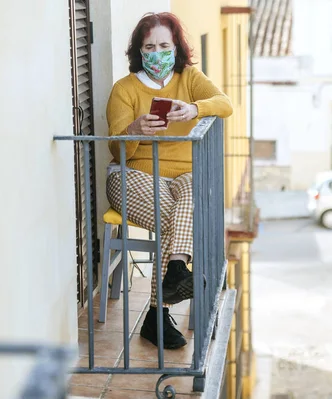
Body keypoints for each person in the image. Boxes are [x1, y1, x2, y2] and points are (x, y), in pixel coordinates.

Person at [105, 12, 233, 349]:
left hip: (183, 173)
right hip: (133, 175)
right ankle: (170, 288)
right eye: (150, 46)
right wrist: (133, 131)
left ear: (175, 47)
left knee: (190, 195)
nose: (158, 52)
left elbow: (225, 104)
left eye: (164, 45)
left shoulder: (189, 78)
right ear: (139, 51)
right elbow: (118, 152)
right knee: (174, 219)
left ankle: (158, 309)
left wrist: (194, 109)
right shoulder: (124, 90)